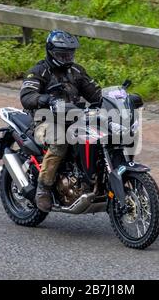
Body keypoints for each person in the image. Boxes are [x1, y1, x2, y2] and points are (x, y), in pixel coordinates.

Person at [20, 30, 102, 212]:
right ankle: (43, 188)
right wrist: (46, 100)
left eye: (69, 54)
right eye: (62, 54)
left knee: (104, 135)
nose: (66, 58)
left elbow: (96, 94)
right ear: (51, 52)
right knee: (61, 140)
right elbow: (26, 95)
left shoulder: (76, 71)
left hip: (74, 119)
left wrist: (118, 98)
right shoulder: (39, 71)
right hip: (45, 122)